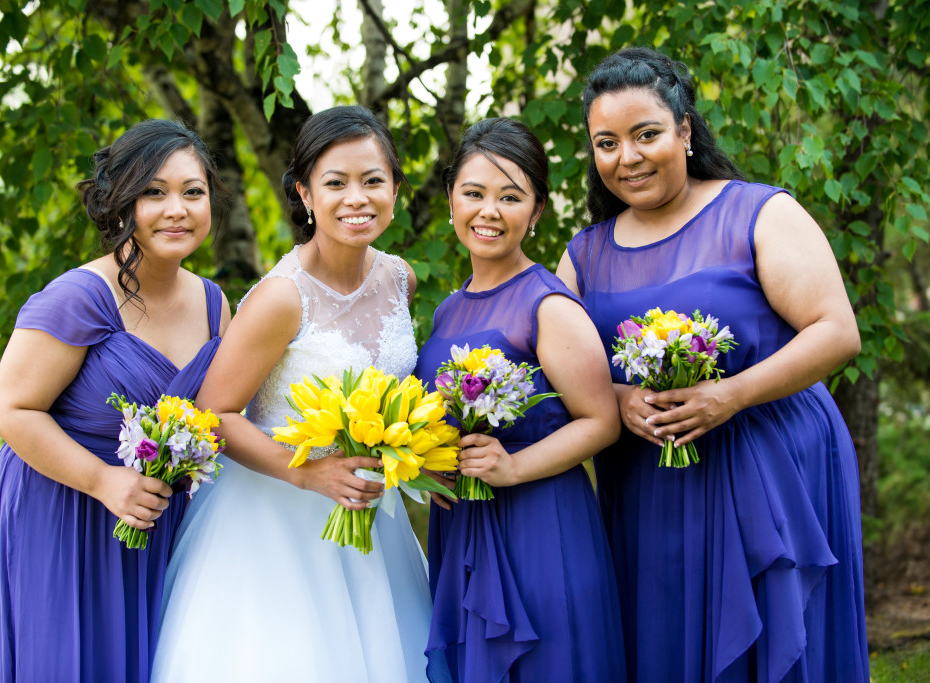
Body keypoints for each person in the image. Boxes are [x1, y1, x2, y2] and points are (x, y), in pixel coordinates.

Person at [557, 47, 869, 681]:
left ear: (685, 130)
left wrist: (731, 394)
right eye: (606, 142)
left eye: (646, 134)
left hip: (769, 457)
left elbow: (837, 332)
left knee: (776, 645)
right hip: (649, 480)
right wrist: (617, 398)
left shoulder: (758, 212)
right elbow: (564, 373)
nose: (628, 157)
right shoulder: (584, 255)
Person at [151, 105, 432, 682]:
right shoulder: (283, 297)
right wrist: (307, 474)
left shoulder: (400, 277)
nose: (357, 197)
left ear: (396, 189)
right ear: (305, 193)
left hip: (373, 518)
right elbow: (214, 414)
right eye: (335, 183)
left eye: (373, 181)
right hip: (275, 522)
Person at [0, 119, 232, 683]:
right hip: (62, 511)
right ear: (121, 203)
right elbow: (9, 410)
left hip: (153, 519)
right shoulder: (79, 297)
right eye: (153, 192)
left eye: (193, 191)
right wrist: (102, 481)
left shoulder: (215, 306)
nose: (176, 209)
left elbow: (222, 418)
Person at [413, 117, 627, 683]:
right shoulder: (446, 310)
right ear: (452, 199)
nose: (489, 211)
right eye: (474, 193)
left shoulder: (549, 304)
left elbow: (602, 421)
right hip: (463, 524)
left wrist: (512, 468)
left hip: (539, 520)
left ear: (535, 213)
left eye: (511, 197)